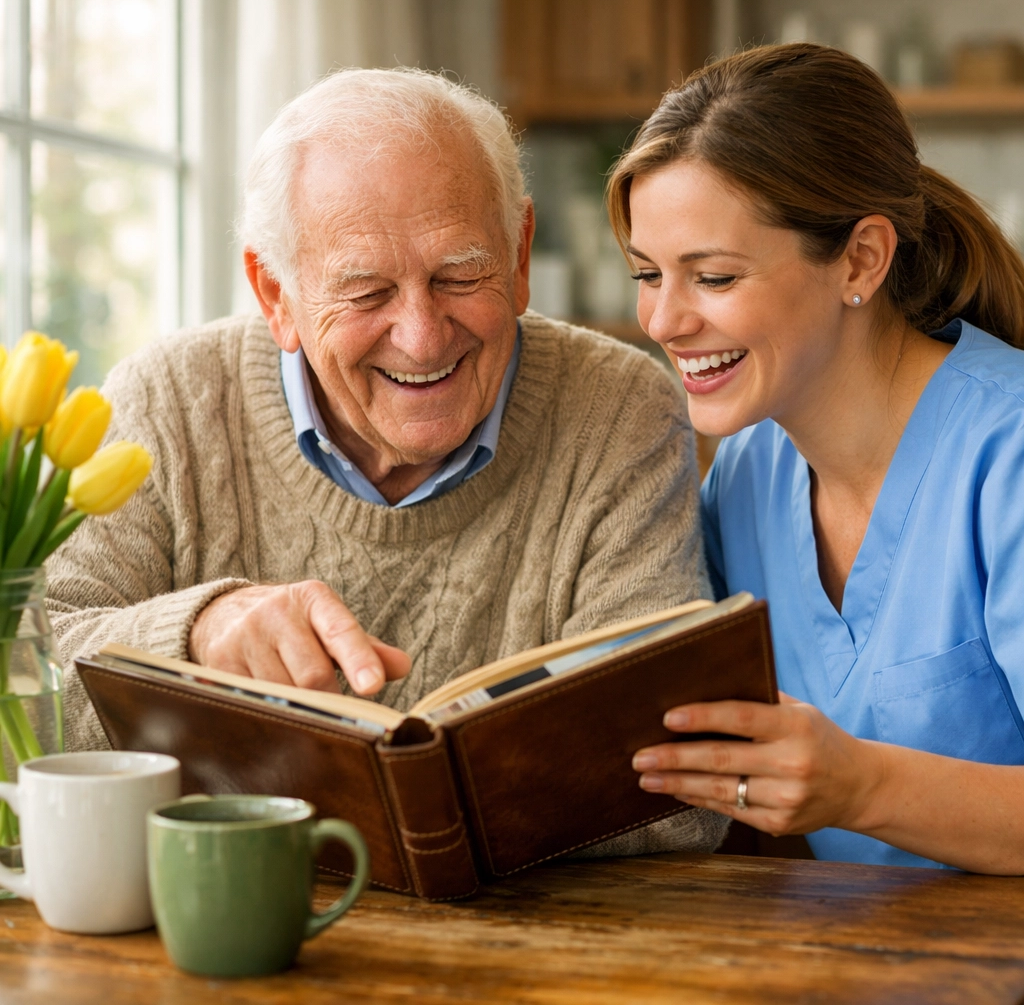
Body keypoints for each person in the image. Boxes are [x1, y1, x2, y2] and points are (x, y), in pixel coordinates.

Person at [49, 67, 726, 856]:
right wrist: (197, 635)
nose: (422, 336)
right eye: (367, 291)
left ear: (518, 256)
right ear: (275, 294)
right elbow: (19, 705)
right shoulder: (165, 401)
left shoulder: (619, 412)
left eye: (459, 275)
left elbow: (676, 799)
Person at [610, 43, 1024, 873]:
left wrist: (862, 786)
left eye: (714, 277)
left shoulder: (1006, 454)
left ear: (861, 260)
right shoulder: (749, 468)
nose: (662, 322)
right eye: (648, 274)